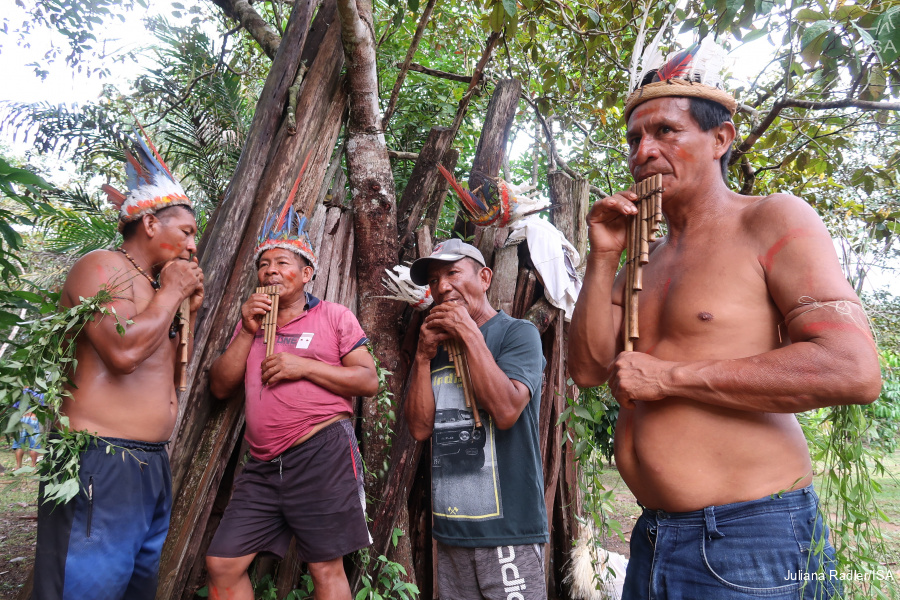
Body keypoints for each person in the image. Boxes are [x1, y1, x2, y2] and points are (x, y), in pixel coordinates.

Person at [568, 37, 882, 599]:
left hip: (749, 536)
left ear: (721, 138)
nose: (644, 149)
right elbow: (590, 368)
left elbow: (853, 369)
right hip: (655, 535)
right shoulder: (648, 257)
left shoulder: (770, 219)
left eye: (666, 130)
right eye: (635, 137)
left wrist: (670, 377)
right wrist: (603, 254)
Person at [33, 129, 204, 600]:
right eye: (186, 232)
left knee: (132, 588)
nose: (192, 247)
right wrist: (172, 292)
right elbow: (123, 354)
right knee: (83, 587)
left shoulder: (155, 289)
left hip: (150, 465)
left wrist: (180, 305)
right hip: (98, 457)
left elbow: (165, 380)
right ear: (150, 224)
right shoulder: (100, 266)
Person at [205, 205, 378, 600]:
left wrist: (303, 367)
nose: (270, 271)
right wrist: (247, 331)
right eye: (263, 265)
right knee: (223, 565)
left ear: (306, 274)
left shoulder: (334, 317)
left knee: (324, 568)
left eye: (282, 262)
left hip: (322, 454)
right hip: (263, 464)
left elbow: (367, 380)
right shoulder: (251, 325)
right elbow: (219, 387)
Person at [406, 239, 549, 600]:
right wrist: (423, 358)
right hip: (453, 530)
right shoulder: (435, 346)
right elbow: (420, 429)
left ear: (484, 277)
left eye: (452, 272)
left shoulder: (518, 333)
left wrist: (469, 332)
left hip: (508, 531)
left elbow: (505, 412)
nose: (442, 287)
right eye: (434, 280)